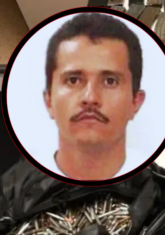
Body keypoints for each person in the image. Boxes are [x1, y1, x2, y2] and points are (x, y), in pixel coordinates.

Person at [42, 13, 145, 180]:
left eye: (110, 81)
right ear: (48, 100)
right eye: (73, 80)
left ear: (136, 102)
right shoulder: (11, 190)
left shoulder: (163, 188)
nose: (90, 98)